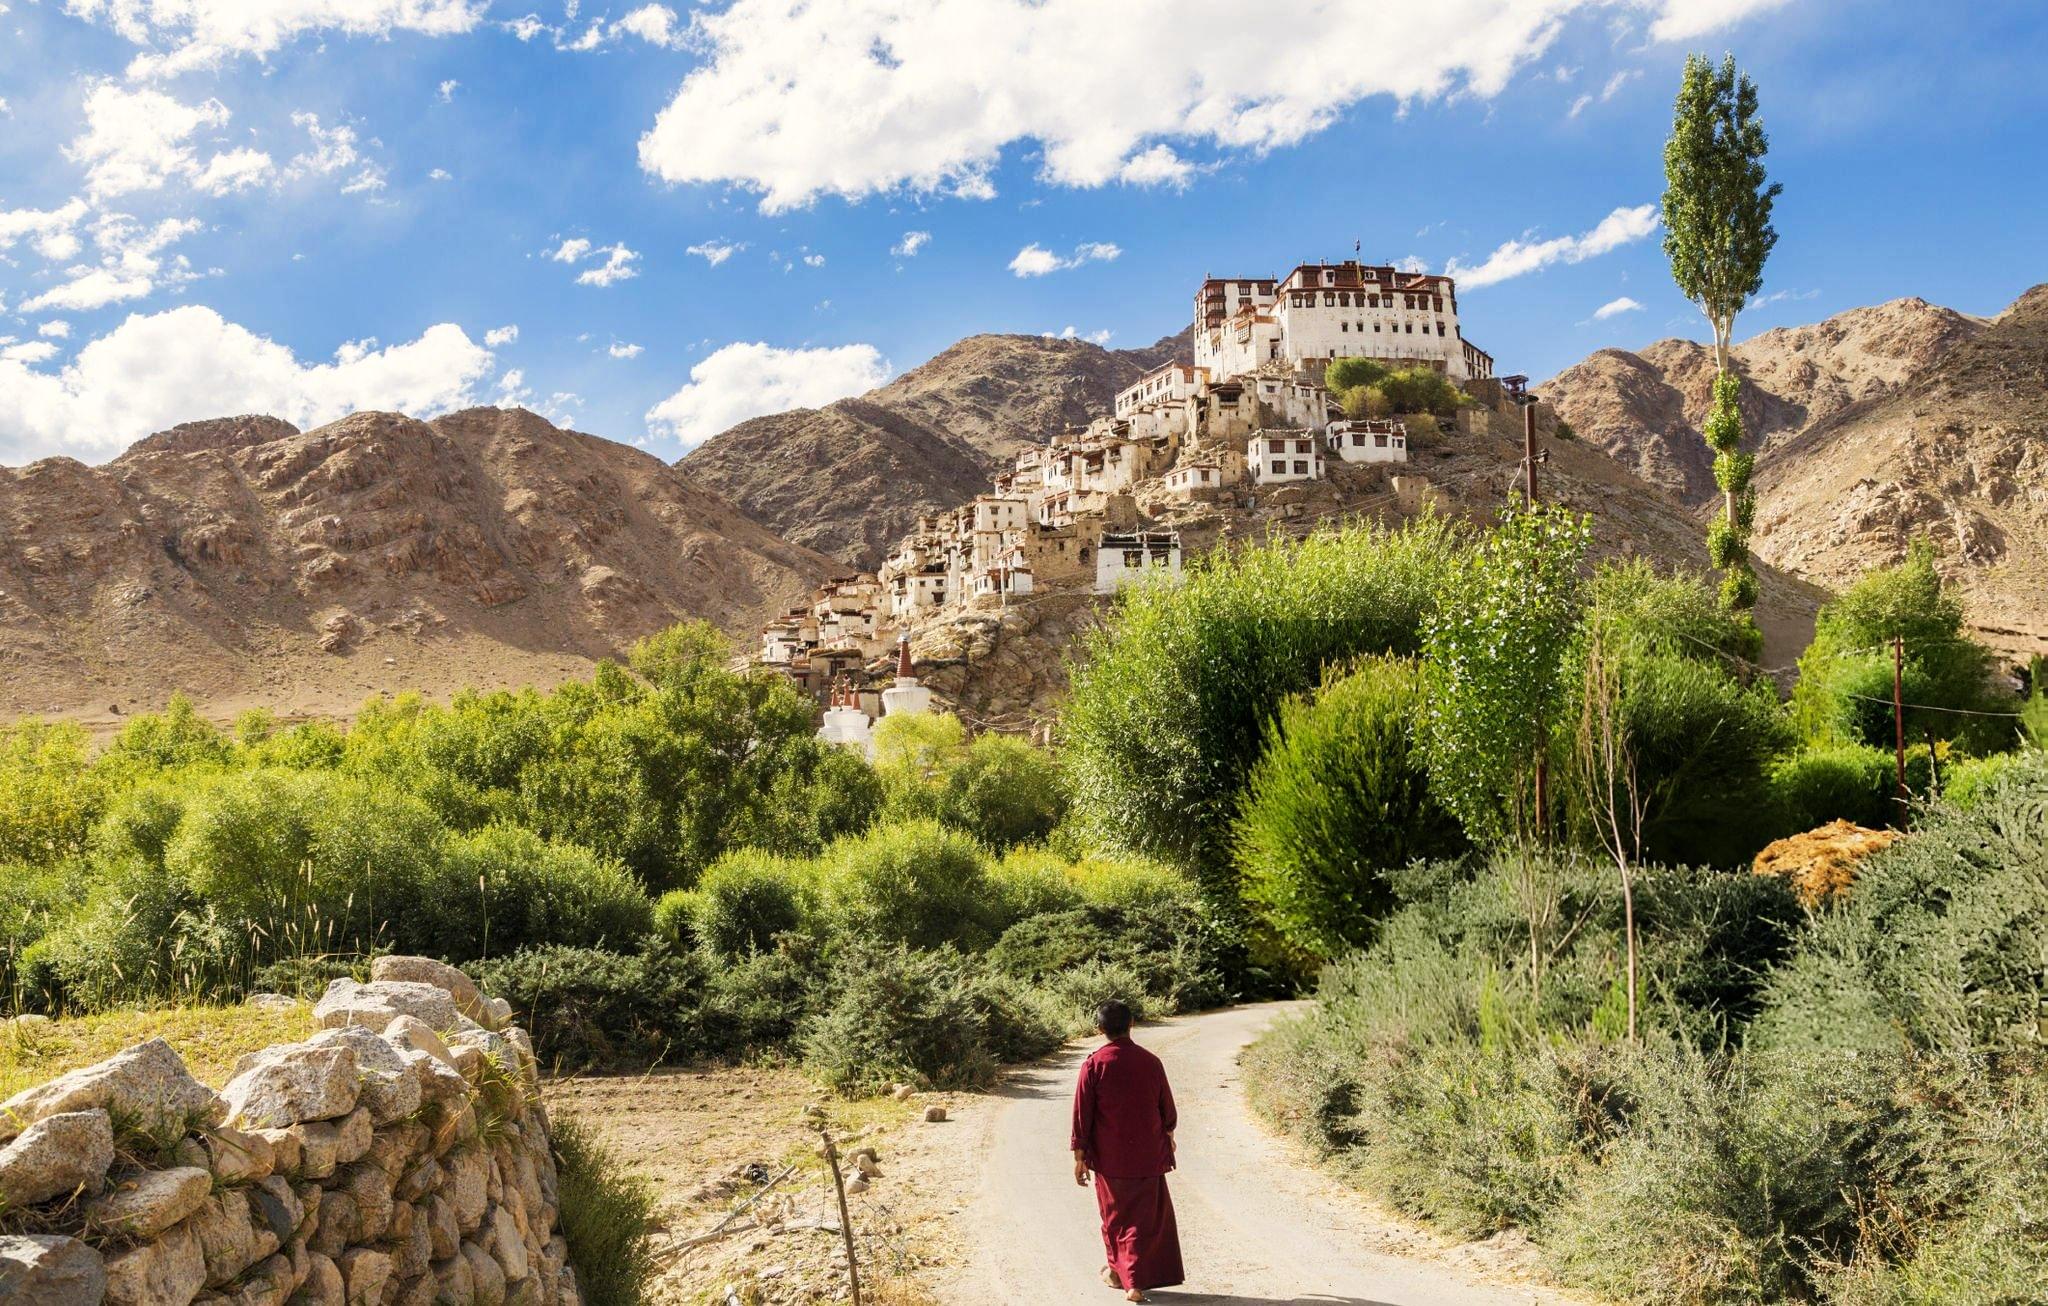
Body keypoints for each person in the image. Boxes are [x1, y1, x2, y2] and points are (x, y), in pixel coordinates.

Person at [1070, 1000, 1184, 1301]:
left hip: (1110, 1159)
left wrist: (1079, 1157)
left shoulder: (1094, 1065)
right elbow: (1167, 1112)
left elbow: (1082, 1115)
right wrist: (1168, 1135)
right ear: (1131, 1025)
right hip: (1149, 1155)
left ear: (1099, 1029)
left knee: (1116, 1218)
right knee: (1144, 1219)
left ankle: (1130, 1282)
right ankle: (1119, 1274)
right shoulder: (1151, 1062)